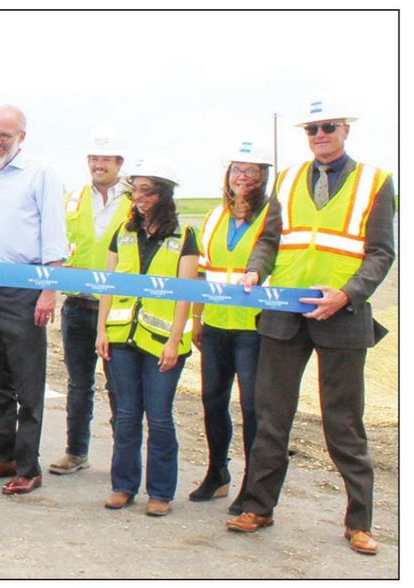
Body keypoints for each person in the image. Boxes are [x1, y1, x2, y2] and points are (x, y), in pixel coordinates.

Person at [228, 101, 395, 556]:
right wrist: (255, 271)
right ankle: (259, 507)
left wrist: (347, 293)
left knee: (344, 423)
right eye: (312, 129)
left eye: (327, 127)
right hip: (283, 313)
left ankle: (358, 522)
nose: (319, 134)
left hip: (341, 315)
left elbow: (381, 252)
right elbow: (269, 240)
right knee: (270, 417)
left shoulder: (375, 182)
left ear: (345, 130)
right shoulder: (287, 179)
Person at [0, 105, 68, 495]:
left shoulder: (41, 175)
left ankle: (29, 466)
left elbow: (55, 237)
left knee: (27, 383)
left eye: (5, 135)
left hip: (25, 289)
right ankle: (1, 457)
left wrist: (48, 290)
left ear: (21, 137)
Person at [96, 158, 198, 517]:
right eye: (134, 190)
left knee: (159, 417)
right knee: (125, 416)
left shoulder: (183, 236)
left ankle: (160, 492)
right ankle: (123, 486)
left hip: (162, 344)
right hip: (122, 337)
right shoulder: (122, 233)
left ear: (163, 194)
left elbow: (186, 293)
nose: (137, 197)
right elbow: (107, 285)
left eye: (145, 190)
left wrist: (173, 341)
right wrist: (101, 330)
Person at [187, 141, 272, 513]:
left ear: (263, 177)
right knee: (212, 401)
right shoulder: (214, 216)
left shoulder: (272, 216)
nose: (243, 177)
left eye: (251, 171)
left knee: (252, 407)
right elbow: (204, 272)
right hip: (217, 324)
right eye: (237, 169)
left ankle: (253, 485)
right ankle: (217, 472)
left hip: (254, 328)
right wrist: (197, 317)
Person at [48, 128, 133, 476]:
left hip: (118, 309)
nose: (98, 165)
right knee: (79, 383)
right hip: (78, 306)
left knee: (120, 387)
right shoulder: (73, 199)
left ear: (119, 163)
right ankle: (76, 450)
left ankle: (123, 459)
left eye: (105, 159)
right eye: (93, 159)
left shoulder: (134, 202)